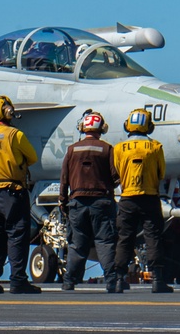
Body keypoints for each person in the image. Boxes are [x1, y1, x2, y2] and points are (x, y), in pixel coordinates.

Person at [0, 95, 41, 294]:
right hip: (12, 192)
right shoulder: (15, 134)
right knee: (17, 234)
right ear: (7, 111)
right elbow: (32, 157)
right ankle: (18, 281)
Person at [58, 110, 119, 291]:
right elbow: (116, 177)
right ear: (102, 128)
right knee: (105, 242)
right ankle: (111, 282)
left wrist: (62, 202)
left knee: (77, 244)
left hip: (77, 203)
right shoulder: (107, 149)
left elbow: (64, 179)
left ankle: (69, 281)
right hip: (101, 202)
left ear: (83, 128)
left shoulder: (72, 150)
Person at [112, 109, 170, 293]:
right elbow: (161, 173)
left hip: (127, 197)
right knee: (153, 237)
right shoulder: (156, 147)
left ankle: (119, 279)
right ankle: (157, 280)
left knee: (124, 238)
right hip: (150, 197)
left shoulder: (119, 148)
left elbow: (117, 172)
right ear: (149, 126)